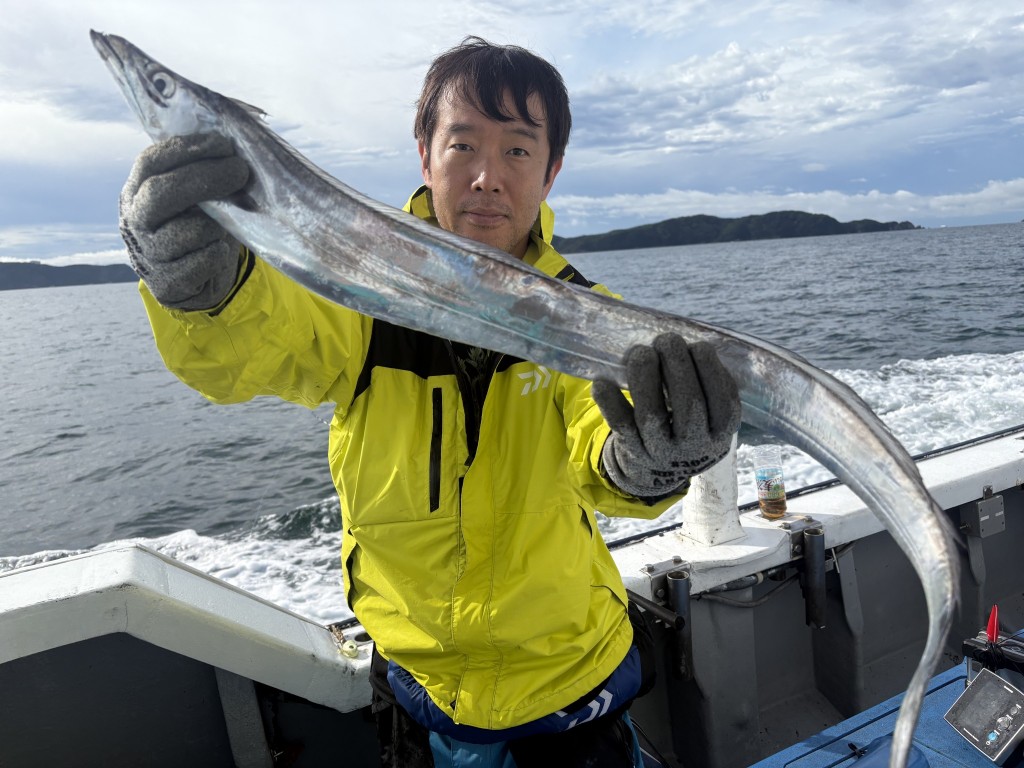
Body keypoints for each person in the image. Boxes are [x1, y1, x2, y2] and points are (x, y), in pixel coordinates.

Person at [118, 36, 741, 767]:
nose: (486, 177)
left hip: (572, 690)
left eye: (516, 151)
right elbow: (256, 349)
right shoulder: (359, 290)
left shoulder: (586, 320)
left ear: (551, 172)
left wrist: (646, 463)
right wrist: (203, 290)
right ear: (424, 155)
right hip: (418, 692)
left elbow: (597, 442)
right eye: (463, 144)